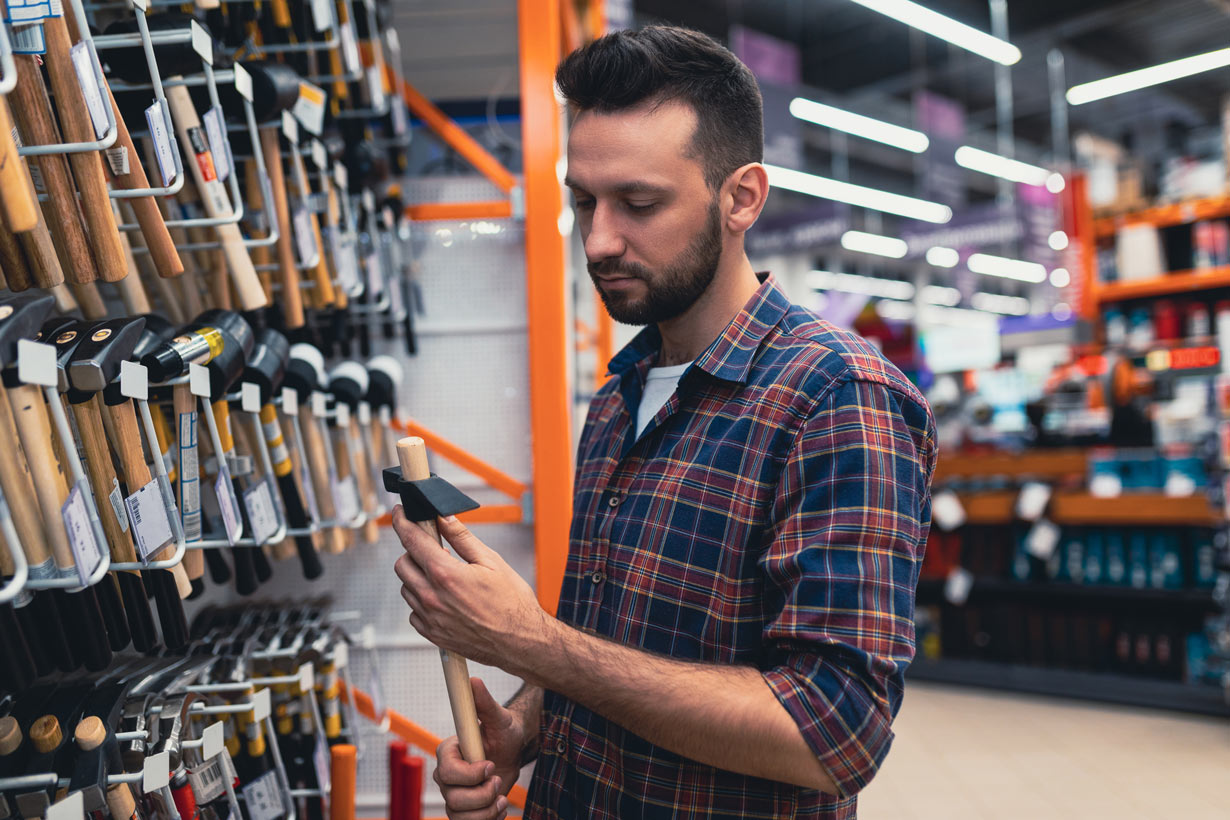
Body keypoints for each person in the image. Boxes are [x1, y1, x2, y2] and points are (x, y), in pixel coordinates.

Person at [392, 25, 936, 820]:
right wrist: (525, 727)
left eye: (639, 203)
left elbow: (836, 737)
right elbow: (609, 635)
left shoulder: (839, 399)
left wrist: (532, 644)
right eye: (584, 201)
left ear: (742, 196)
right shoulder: (620, 395)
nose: (600, 240)